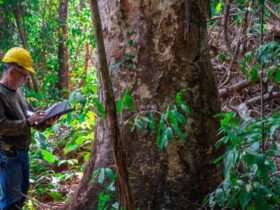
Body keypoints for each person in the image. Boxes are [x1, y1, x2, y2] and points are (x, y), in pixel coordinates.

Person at [0, 47, 58, 210]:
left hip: (22, 152)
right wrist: (28, 122)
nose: (26, 79)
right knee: (11, 201)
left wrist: (45, 121)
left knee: (21, 196)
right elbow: (2, 126)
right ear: (12, 72)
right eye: (24, 75)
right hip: (8, 155)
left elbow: (29, 117)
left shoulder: (17, 92)